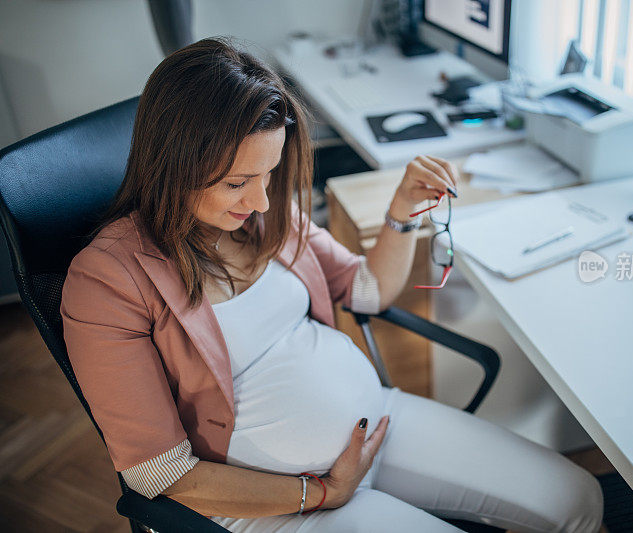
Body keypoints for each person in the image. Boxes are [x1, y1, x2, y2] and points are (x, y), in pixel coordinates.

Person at [60, 37, 603, 532]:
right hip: (273, 506)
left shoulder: (264, 218)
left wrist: (400, 213)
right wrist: (318, 491)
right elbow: (160, 475)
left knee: (578, 498)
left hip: (375, 425)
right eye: (236, 183)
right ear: (172, 166)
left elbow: (365, 292)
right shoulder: (107, 281)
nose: (262, 202)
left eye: (269, 173)